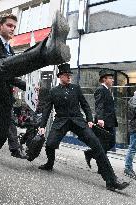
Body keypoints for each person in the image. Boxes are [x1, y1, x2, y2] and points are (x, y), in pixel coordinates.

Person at [0, 11, 71, 190]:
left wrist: (27, 87)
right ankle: (47, 49)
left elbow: (9, 73)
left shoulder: (11, 51)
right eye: (9, 25)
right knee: (1, 65)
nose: (12, 29)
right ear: (0, 26)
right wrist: (14, 66)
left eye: (14, 26)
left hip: (1, 94)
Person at [38, 63, 129, 191]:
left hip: (78, 122)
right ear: (60, 76)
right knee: (50, 144)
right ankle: (49, 163)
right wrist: (42, 126)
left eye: (70, 75)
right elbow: (47, 110)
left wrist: (90, 120)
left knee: (97, 145)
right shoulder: (53, 91)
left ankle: (111, 180)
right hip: (61, 121)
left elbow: (85, 105)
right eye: (66, 75)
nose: (69, 77)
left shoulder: (76, 88)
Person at [84, 69, 118, 169]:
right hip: (103, 122)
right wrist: (100, 119)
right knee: (108, 143)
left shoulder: (107, 90)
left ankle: (92, 155)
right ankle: (100, 164)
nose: (112, 80)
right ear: (104, 79)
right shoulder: (100, 90)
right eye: (110, 78)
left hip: (109, 122)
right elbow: (99, 105)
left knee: (107, 144)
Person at [124, 91, 136, 179]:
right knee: (132, 148)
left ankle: (128, 167)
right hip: (135, 127)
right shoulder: (134, 99)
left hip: (134, 126)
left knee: (132, 148)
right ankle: (128, 168)